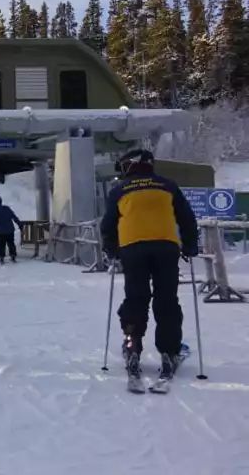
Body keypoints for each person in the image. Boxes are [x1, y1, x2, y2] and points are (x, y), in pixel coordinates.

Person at [100, 149, 198, 382]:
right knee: (166, 299)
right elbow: (186, 217)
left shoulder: (119, 190)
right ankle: (169, 350)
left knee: (136, 298)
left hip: (132, 248)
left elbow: (108, 224)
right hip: (166, 247)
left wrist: (112, 249)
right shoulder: (168, 185)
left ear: (131, 166)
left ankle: (132, 346)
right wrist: (190, 245)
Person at [0, 195, 24, 264]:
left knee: (1, 244)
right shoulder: (7, 208)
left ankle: (1, 257)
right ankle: (13, 255)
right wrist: (20, 224)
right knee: (11, 243)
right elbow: (14, 217)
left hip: (1, 231)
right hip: (10, 230)